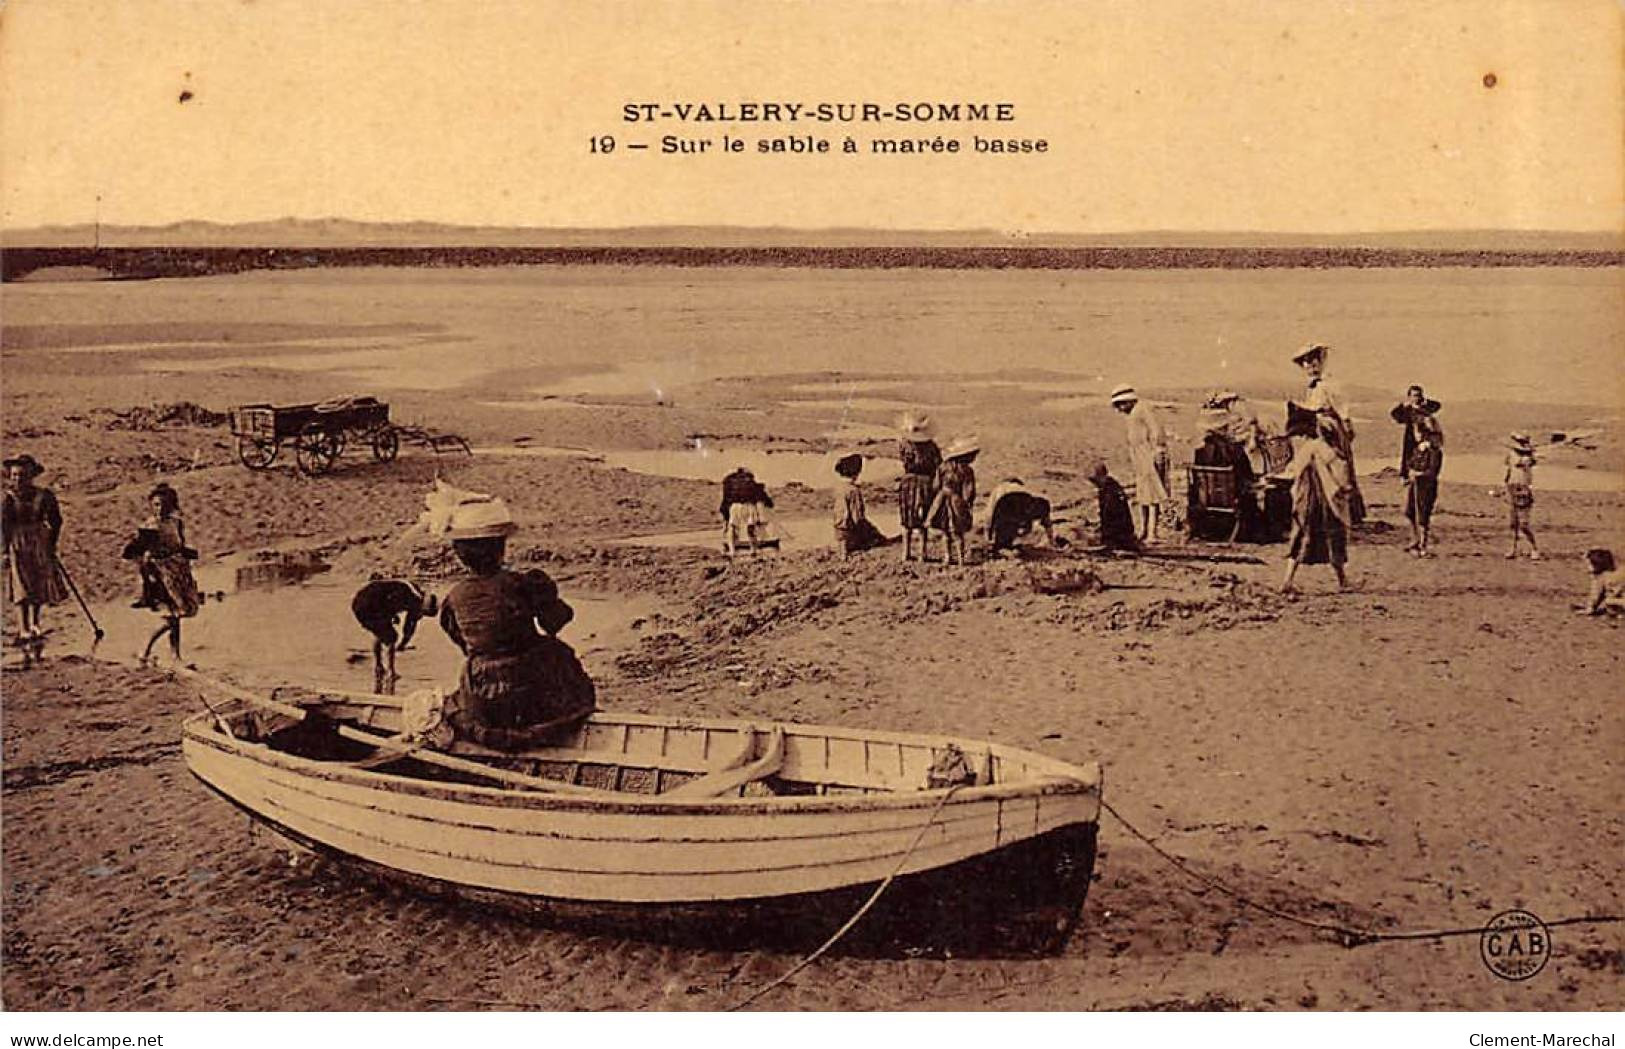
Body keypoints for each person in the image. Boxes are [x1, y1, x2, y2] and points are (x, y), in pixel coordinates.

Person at [434, 494, 595, 751]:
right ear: (501, 549)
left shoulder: (454, 597)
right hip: (527, 687)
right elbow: (556, 623)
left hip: (482, 695)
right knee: (557, 654)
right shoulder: (520, 583)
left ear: (460, 556)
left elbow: (463, 644)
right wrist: (547, 596)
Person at [1276, 413, 1354, 592]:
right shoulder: (1333, 453)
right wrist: (1346, 490)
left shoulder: (1309, 448)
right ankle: (1342, 581)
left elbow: (1294, 469)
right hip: (1327, 502)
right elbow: (1342, 481)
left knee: (1300, 537)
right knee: (1334, 538)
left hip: (1307, 500)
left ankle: (1288, 580)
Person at [1291, 343, 1366, 524]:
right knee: (1314, 467)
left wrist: (1345, 427)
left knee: (1335, 468)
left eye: (1312, 362)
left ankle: (1341, 513)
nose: (1309, 366)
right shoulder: (1313, 387)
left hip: (1331, 428)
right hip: (1316, 427)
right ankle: (1319, 509)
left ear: (1321, 361)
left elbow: (1341, 407)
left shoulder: (1330, 384)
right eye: (1305, 364)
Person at [2, 454, 67, 643]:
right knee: (21, 585)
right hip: (18, 543)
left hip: (39, 542)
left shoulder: (44, 495)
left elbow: (56, 521)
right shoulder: (8, 499)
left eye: (22, 475)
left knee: (38, 583)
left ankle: (35, 624)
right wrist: (5, 551)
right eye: (14, 475)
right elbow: (3, 526)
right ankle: (23, 628)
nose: (18, 479)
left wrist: (51, 544)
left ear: (31, 475)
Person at [134, 483, 201, 664]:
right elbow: (143, 556)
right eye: (156, 505)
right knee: (172, 617)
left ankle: (172, 655)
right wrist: (150, 578)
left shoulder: (176, 522)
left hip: (179, 570)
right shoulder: (149, 526)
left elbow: (181, 544)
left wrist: (188, 557)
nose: (159, 509)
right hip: (162, 573)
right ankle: (147, 649)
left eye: (163, 504)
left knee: (176, 617)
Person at [351, 579, 439, 691]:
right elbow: (409, 624)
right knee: (391, 637)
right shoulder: (412, 598)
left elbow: (409, 625)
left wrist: (403, 643)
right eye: (423, 613)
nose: (421, 615)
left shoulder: (413, 592)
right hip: (367, 604)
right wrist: (401, 641)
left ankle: (379, 667)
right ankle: (390, 672)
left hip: (362, 601)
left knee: (381, 632)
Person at [1109, 385, 1170, 543]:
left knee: (1153, 495)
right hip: (1139, 456)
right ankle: (1143, 529)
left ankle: (1152, 532)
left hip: (1149, 454)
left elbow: (1156, 430)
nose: (1121, 408)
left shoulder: (1143, 409)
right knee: (1143, 495)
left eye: (1122, 404)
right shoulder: (1132, 413)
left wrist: (1157, 451)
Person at [1390, 385, 1445, 557]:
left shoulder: (1432, 448)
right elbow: (1396, 414)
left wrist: (1418, 474)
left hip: (1425, 480)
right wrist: (1406, 473)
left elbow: (1433, 468)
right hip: (1416, 474)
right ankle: (1415, 541)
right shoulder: (1412, 432)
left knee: (1422, 512)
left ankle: (1423, 545)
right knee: (1409, 511)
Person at [1188, 409, 1258, 541]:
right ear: (1224, 428)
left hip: (1206, 499)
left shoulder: (1200, 452)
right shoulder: (1234, 450)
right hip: (1231, 498)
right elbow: (1247, 476)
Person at [896, 413, 942, 562]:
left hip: (908, 482)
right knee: (923, 518)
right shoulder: (932, 446)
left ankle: (906, 552)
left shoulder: (904, 444)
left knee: (906, 518)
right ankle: (922, 553)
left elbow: (904, 461)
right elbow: (937, 464)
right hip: (925, 483)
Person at [927, 436, 978, 566]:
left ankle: (947, 557)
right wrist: (968, 502)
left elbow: (935, 485)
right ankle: (961, 559)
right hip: (957, 501)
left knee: (945, 530)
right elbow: (969, 490)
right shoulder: (966, 470)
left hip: (942, 500)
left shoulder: (943, 467)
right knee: (958, 531)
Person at [832, 453, 887, 558]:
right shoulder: (853, 491)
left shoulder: (840, 488)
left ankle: (844, 550)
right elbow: (857, 518)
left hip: (839, 531)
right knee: (877, 538)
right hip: (850, 532)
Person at [985, 479, 1056, 554]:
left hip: (1007, 504)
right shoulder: (1015, 491)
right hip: (1010, 504)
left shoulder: (1000, 489)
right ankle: (1002, 544)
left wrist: (988, 536)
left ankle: (1002, 545)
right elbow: (990, 516)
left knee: (1005, 538)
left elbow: (990, 514)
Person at [719, 466, 774, 556]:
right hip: (749, 505)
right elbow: (761, 496)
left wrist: (725, 513)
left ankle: (732, 551)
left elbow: (726, 499)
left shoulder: (730, 481)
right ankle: (753, 550)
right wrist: (769, 504)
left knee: (732, 527)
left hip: (735, 506)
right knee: (751, 528)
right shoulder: (751, 482)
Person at [1503, 432, 1540, 560]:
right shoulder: (1511, 455)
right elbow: (1508, 471)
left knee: (1524, 524)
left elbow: (1529, 464)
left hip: (1523, 490)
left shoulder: (1527, 459)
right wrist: (1505, 486)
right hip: (1512, 488)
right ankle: (1513, 548)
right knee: (1513, 523)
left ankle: (1534, 548)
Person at [1088, 461, 1140, 552]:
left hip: (1119, 536)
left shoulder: (1110, 492)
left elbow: (1111, 517)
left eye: (1094, 480)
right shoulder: (1110, 487)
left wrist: (1103, 535)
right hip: (1120, 532)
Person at [1575, 549, 1625, 617]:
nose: (1587, 569)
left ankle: (1620, 614)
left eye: (1589, 565)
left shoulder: (1602, 577)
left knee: (1609, 602)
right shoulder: (1620, 571)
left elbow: (1595, 597)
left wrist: (1589, 609)